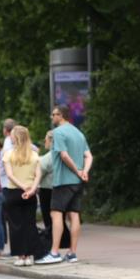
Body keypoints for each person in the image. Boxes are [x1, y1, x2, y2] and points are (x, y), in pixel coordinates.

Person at [35, 105, 92, 264]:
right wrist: (83, 171)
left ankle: (54, 252)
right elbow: (88, 155)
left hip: (63, 181)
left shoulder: (58, 133)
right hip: (77, 182)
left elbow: (64, 155)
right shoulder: (79, 133)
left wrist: (76, 170)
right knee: (74, 215)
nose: (52, 117)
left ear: (61, 115)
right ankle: (72, 253)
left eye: (53, 114)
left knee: (56, 214)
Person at [3, 125, 42, 266]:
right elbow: (39, 174)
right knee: (30, 224)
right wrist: (32, 189)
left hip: (14, 192)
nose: (10, 137)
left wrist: (21, 186)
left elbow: (9, 175)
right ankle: (30, 255)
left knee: (16, 225)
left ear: (16, 137)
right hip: (31, 193)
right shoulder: (34, 155)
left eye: (12, 135)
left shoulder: (8, 154)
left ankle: (20, 256)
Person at [37, 130, 70, 249]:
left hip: (47, 190)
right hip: (63, 188)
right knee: (61, 217)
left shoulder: (47, 158)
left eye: (45, 139)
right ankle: (65, 241)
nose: (44, 142)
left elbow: (39, 173)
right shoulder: (64, 155)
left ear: (51, 141)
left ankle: (53, 242)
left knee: (49, 217)